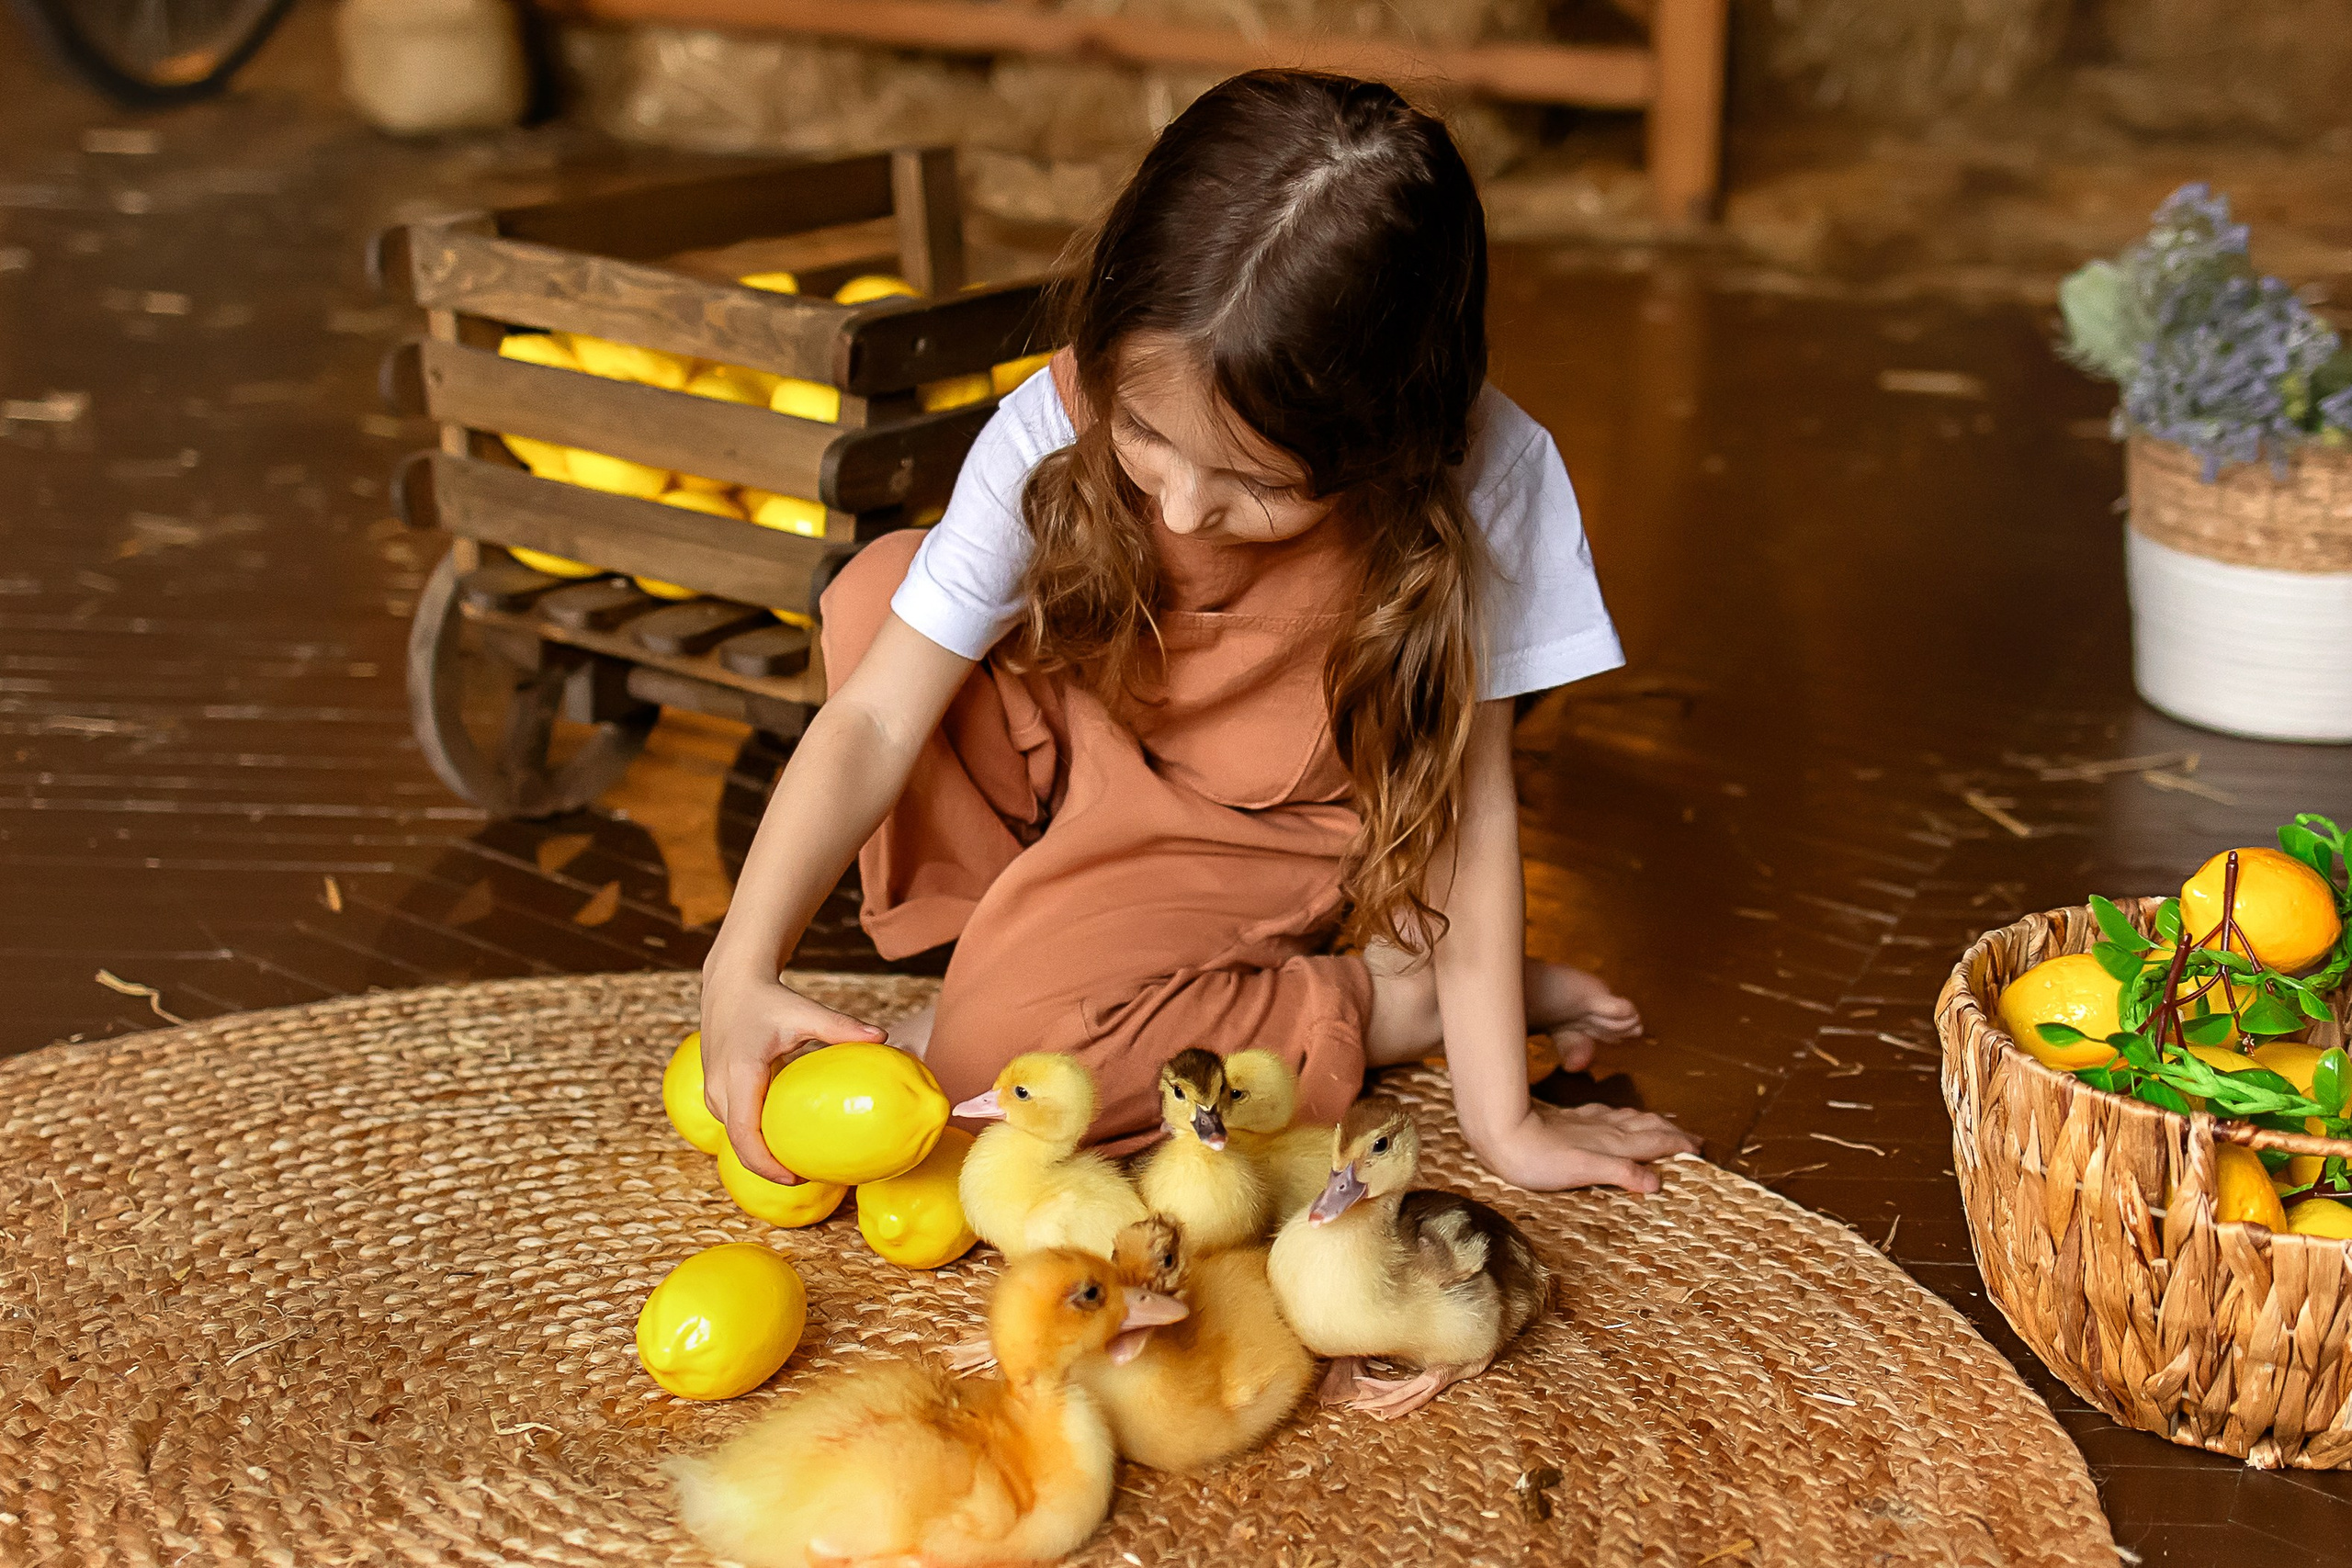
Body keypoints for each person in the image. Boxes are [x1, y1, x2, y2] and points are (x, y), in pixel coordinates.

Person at [699, 70, 1698, 1193]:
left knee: (1002, 1076)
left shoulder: (1491, 475)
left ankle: (1384, 1000)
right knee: (881, 591)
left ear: (1393, 436)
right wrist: (737, 968)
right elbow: (879, 714)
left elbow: (1475, 805)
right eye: (1142, 436)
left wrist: (1504, 1124)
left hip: (1255, 815)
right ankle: (1051, 951)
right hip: (1097, 713)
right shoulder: (1053, 417)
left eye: (1257, 487)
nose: (1180, 508)